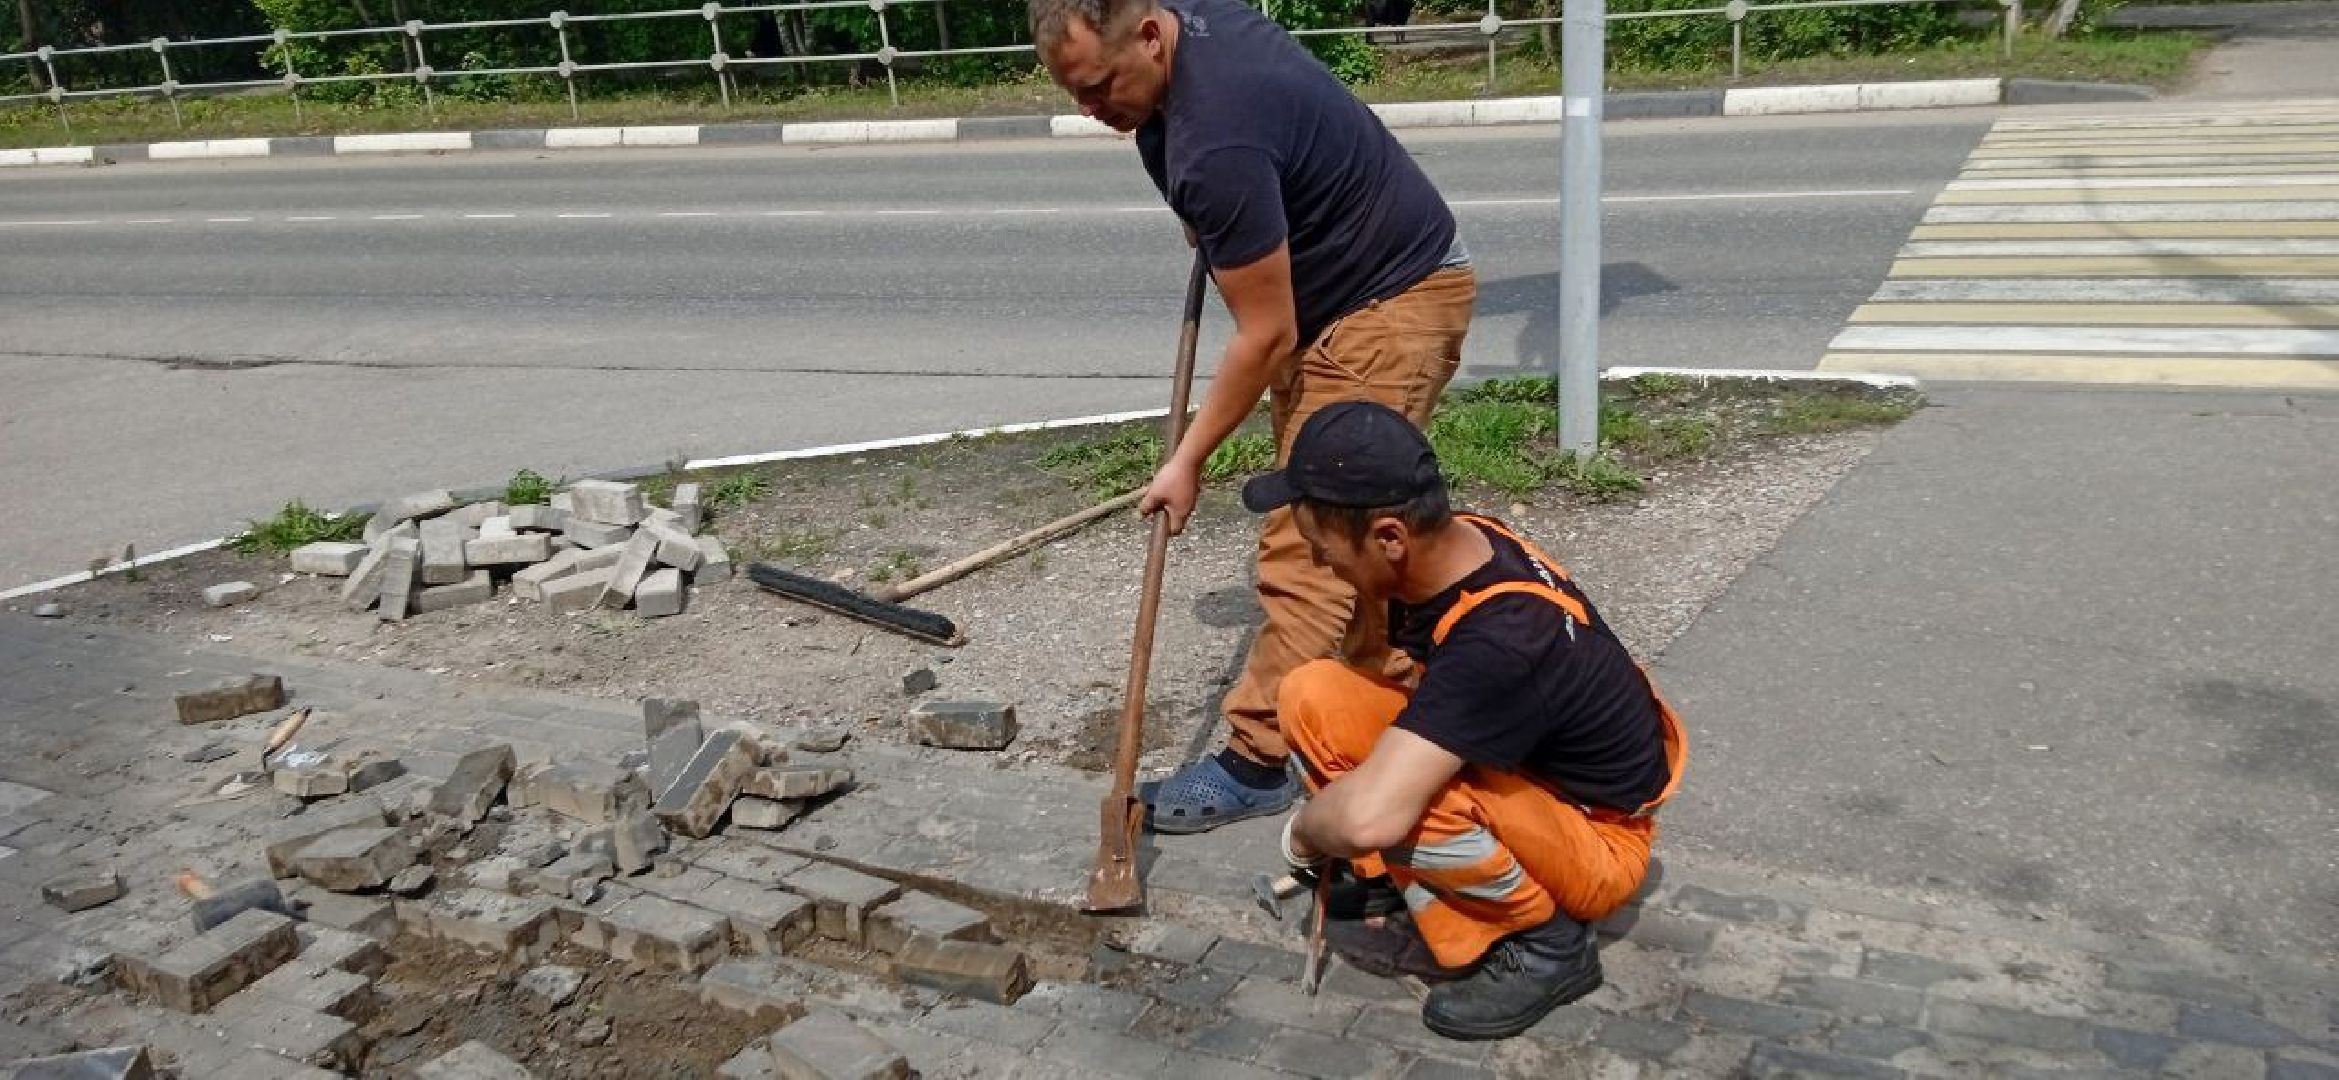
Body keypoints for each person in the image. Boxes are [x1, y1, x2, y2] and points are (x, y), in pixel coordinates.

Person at [1029, 0, 1477, 832]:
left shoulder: (1216, 142)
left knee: (1315, 537)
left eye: (1098, 88)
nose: (1089, 113)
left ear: (1151, 37)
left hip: (1383, 305)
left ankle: (1257, 760)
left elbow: (1264, 335)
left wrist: (1186, 461)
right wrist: (1230, 225)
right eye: (1073, 95)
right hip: (1343, 291)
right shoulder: (1197, 26)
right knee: (1353, 534)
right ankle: (1383, 695)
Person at [1248, 400, 1688, 1040]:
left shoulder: (1503, 639)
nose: (1323, 565)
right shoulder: (1467, 543)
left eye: (1324, 550)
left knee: (1397, 808)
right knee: (1315, 695)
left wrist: (1307, 835)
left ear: (1390, 538)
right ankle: (1384, 883)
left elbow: (1373, 813)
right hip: (1535, 786)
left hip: (1598, 842)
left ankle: (1546, 945)